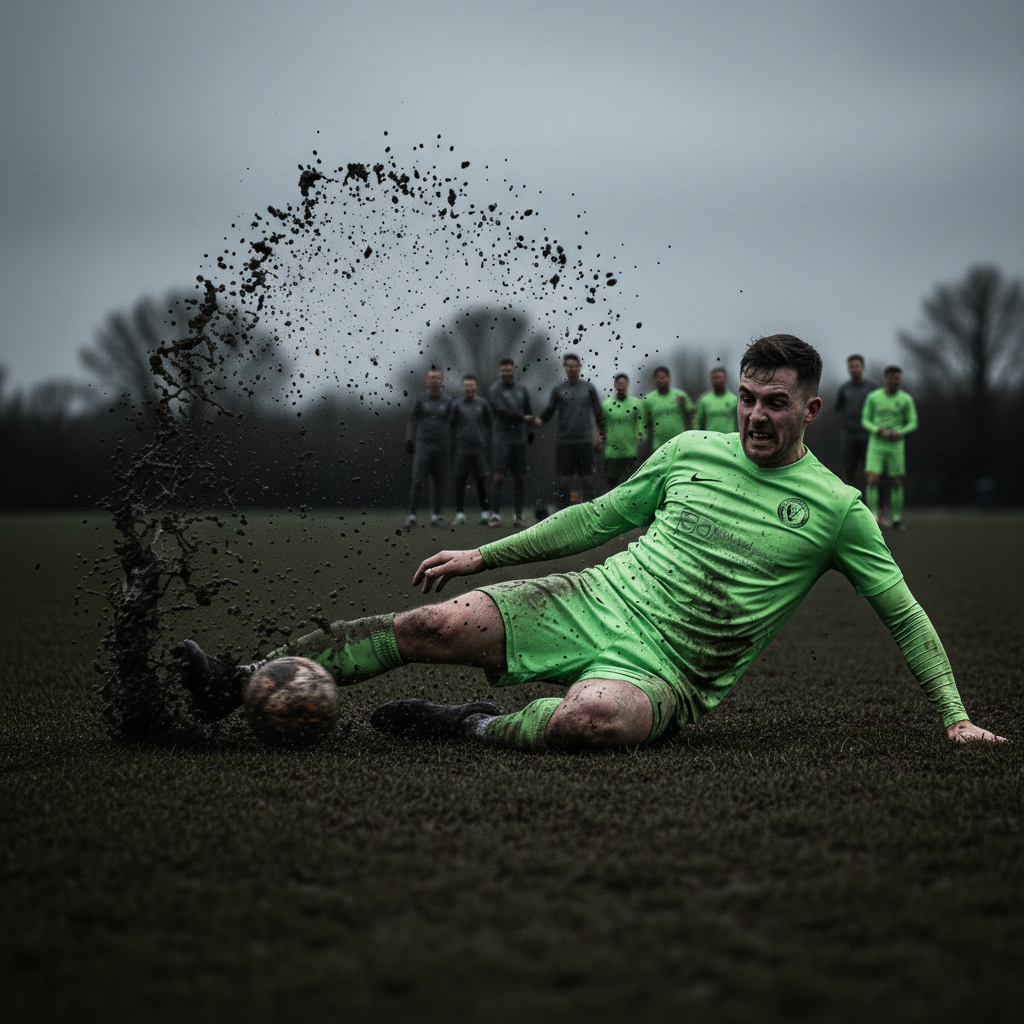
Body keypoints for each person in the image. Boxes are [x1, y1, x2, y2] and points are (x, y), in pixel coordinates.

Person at [182, 335, 1005, 749]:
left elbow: (903, 613)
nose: (756, 415)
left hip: (665, 670)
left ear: (811, 411)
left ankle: (469, 725)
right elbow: (595, 519)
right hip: (591, 600)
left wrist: (956, 717)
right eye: (749, 397)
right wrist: (484, 555)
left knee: (595, 724)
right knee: (427, 626)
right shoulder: (690, 450)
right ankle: (240, 678)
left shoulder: (837, 509)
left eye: (775, 404)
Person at [535, 352, 605, 508]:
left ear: (579, 367)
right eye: (569, 366)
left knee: (587, 478)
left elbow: (598, 414)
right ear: (565, 368)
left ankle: (589, 511)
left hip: (585, 440)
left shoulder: (588, 388)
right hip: (565, 441)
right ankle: (562, 513)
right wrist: (538, 420)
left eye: (575, 366)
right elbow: (549, 411)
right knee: (564, 479)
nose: (572, 369)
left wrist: (600, 436)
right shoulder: (558, 390)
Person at [862, 366, 918, 530]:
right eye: (891, 378)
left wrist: (900, 432)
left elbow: (913, 423)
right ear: (885, 378)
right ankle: (873, 516)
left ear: (900, 379)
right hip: (876, 443)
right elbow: (865, 420)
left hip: (896, 445)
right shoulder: (873, 397)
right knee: (872, 478)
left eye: (897, 378)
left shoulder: (906, 399)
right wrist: (876, 429)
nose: (894, 381)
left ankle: (896, 518)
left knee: (895, 481)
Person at [487, 358, 534, 529]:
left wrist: (530, 432)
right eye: (503, 371)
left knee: (520, 478)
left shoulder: (522, 390)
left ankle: (518, 516)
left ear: (514, 371)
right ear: (499, 372)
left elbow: (529, 411)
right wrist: (523, 418)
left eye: (509, 370)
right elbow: (501, 411)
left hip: (519, 441)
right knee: (499, 477)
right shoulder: (494, 390)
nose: (507, 374)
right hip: (502, 440)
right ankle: (494, 516)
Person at [405, 368, 453, 528]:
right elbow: (411, 420)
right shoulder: (420, 401)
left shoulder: (447, 402)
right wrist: (409, 438)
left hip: (441, 446)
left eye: (437, 378)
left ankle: (436, 516)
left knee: (439, 481)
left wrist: (453, 444)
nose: (434, 380)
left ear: (441, 381)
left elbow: (453, 424)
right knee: (418, 480)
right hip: (423, 445)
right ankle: (412, 516)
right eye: (431, 378)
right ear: (427, 381)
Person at [449, 375, 493, 526]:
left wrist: (487, 444)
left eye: (471, 385)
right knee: (460, 481)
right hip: (462, 449)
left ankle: (486, 513)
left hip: (478, 449)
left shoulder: (483, 404)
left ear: (476, 387)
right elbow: (451, 426)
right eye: (466, 386)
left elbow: (489, 424)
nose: (469, 388)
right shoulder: (456, 405)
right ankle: (460, 514)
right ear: (463, 388)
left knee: (481, 481)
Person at [835, 354, 878, 494]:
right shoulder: (844, 389)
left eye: (856, 366)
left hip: (868, 434)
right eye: (851, 367)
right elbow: (838, 408)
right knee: (849, 469)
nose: (854, 369)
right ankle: (854, 498)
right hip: (849, 434)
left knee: (872, 471)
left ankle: (876, 506)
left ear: (863, 367)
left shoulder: (873, 388)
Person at [600, 373, 642, 489]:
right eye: (618, 383)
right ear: (615, 385)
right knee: (612, 482)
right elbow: (600, 425)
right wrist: (599, 439)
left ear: (627, 385)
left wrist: (640, 435)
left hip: (629, 451)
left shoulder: (636, 404)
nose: (621, 386)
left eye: (623, 383)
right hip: (612, 451)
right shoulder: (606, 404)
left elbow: (641, 423)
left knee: (630, 483)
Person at [641, 366, 694, 455]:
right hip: (658, 445)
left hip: (679, 443)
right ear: (654, 380)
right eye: (658, 378)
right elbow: (644, 423)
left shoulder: (680, 396)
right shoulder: (648, 400)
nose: (661, 380)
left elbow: (691, 414)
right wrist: (645, 442)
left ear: (668, 378)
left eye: (663, 377)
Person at [694, 368, 739, 433]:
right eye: (714, 378)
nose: (717, 381)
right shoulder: (704, 400)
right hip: (711, 440)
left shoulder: (734, 400)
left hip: (728, 439)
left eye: (720, 378)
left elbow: (739, 422)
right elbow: (698, 423)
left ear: (725, 379)